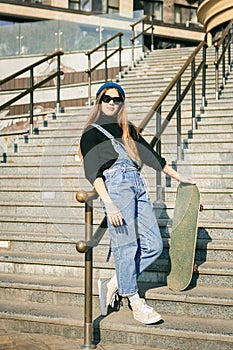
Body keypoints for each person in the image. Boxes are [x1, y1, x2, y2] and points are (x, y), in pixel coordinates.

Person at [79, 82, 194, 325]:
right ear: (99, 102)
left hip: (138, 186)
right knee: (126, 246)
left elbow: (153, 157)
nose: (112, 102)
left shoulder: (128, 129)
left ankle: (115, 282)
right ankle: (135, 301)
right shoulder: (91, 132)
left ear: (122, 103)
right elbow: (93, 173)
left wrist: (179, 177)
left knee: (154, 245)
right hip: (116, 187)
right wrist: (109, 204)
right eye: (106, 98)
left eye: (117, 99)